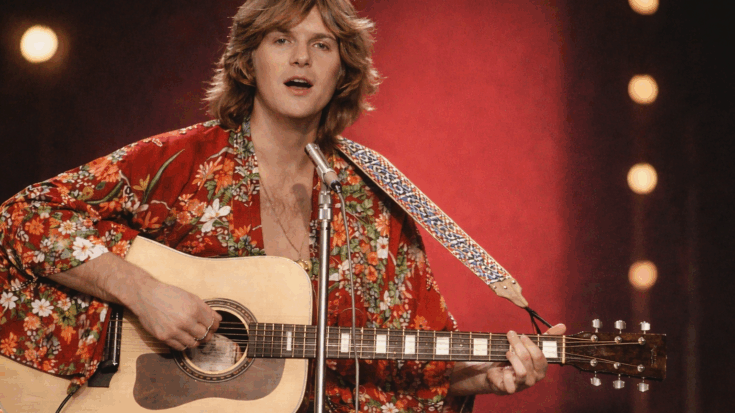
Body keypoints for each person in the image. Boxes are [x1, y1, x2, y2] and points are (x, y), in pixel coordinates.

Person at [0, 0, 565, 411]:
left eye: (322, 45)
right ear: (248, 61)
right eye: (280, 40)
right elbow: (23, 218)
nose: (302, 58)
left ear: (343, 71)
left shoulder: (375, 200)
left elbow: (396, 359)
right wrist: (144, 293)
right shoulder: (181, 162)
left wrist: (478, 378)